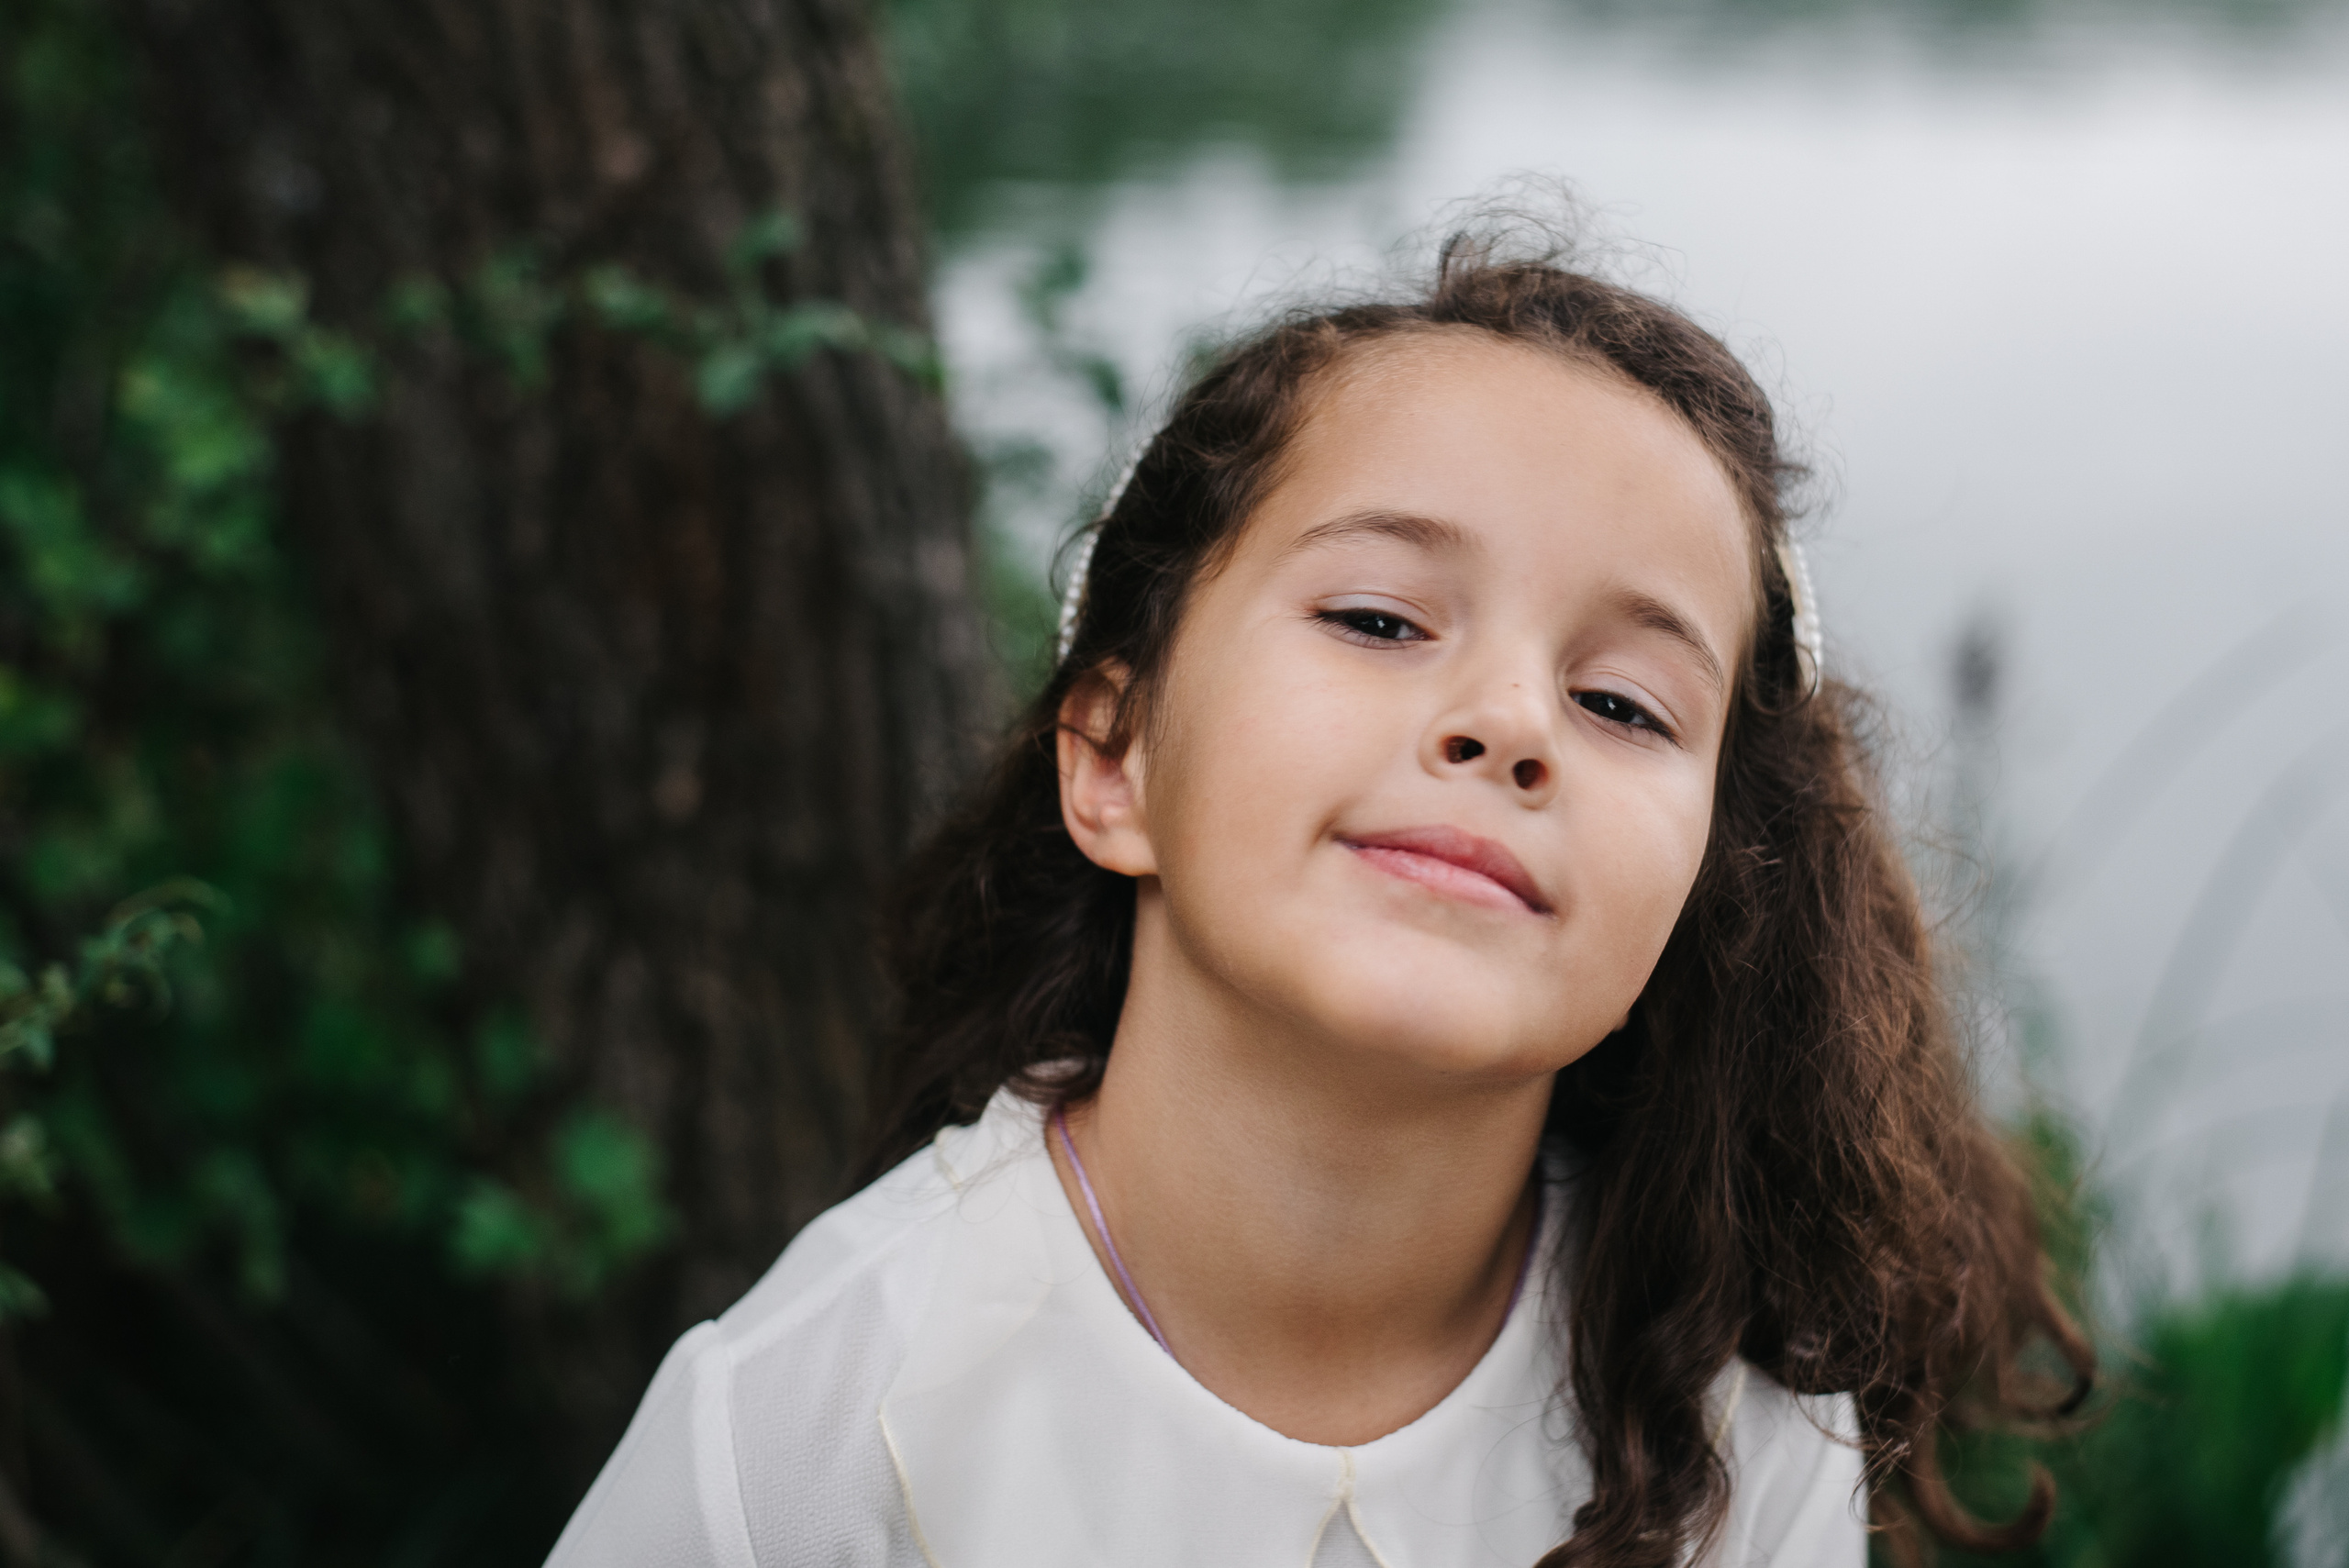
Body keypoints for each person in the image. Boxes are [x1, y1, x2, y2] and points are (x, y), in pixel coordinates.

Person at [545, 224, 2092, 1568]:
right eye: (1377, 617)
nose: (1510, 722)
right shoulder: (790, 1440)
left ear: (1705, 890)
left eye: (1622, 703)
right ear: (1116, 754)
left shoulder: (1735, 1428)